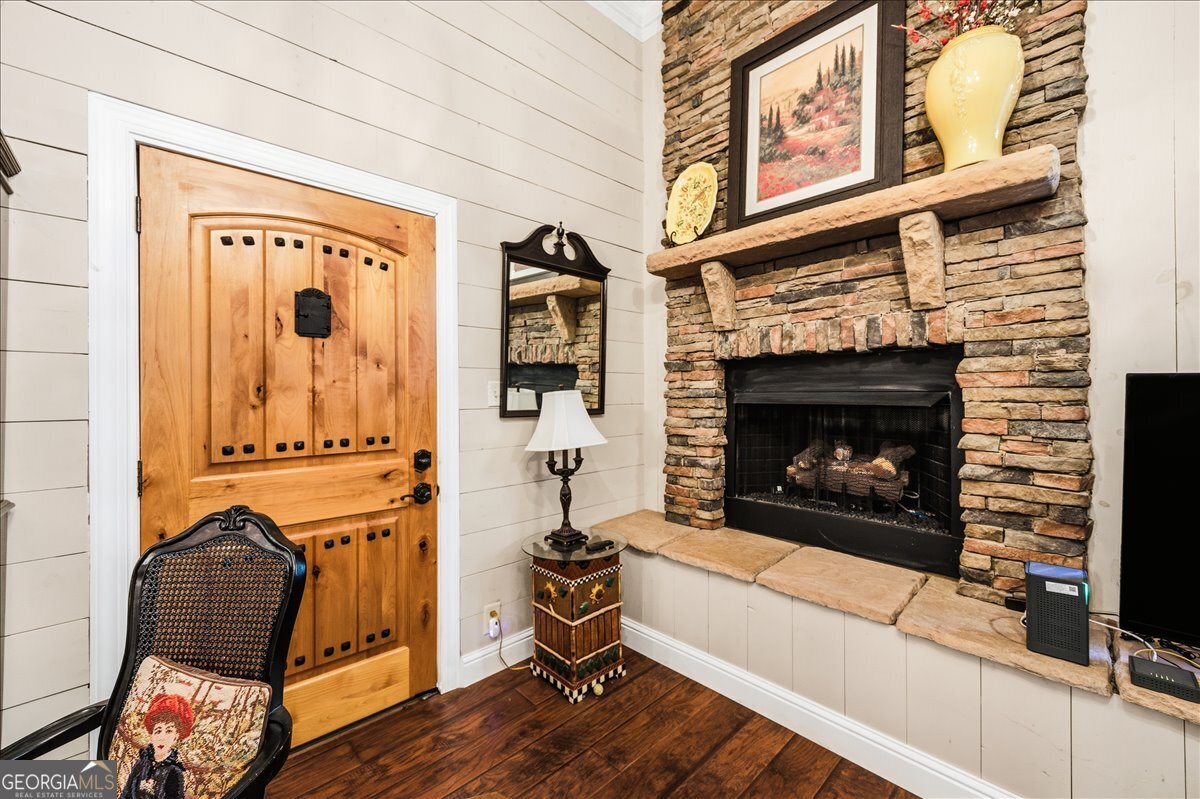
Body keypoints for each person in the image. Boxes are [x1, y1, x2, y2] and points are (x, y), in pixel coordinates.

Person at [118, 692, 193, 799]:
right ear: (151, 734)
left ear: (176, 736)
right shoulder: (140, 764)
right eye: (158, 731)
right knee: (92, 781)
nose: (162, 737)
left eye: (169, 731)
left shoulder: (174, 773)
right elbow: (126, 794)